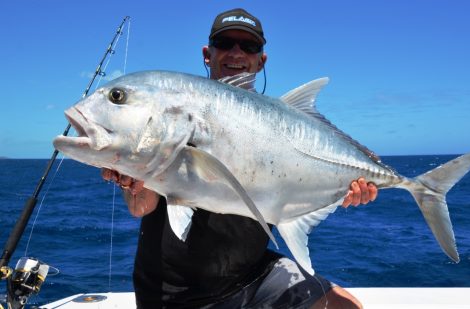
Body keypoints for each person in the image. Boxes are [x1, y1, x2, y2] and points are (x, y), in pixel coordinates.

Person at [102, 8, 377, 308]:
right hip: (175, 293)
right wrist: (131, 178)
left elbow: (308, 178)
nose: (236, 53)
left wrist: (348, 187)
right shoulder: (178, 109)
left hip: (251, 274)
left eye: (249, 46)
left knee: (345, 306)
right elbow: (141, 207)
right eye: (225, 43)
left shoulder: (284, 127)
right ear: (208, 54)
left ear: (262, 60)